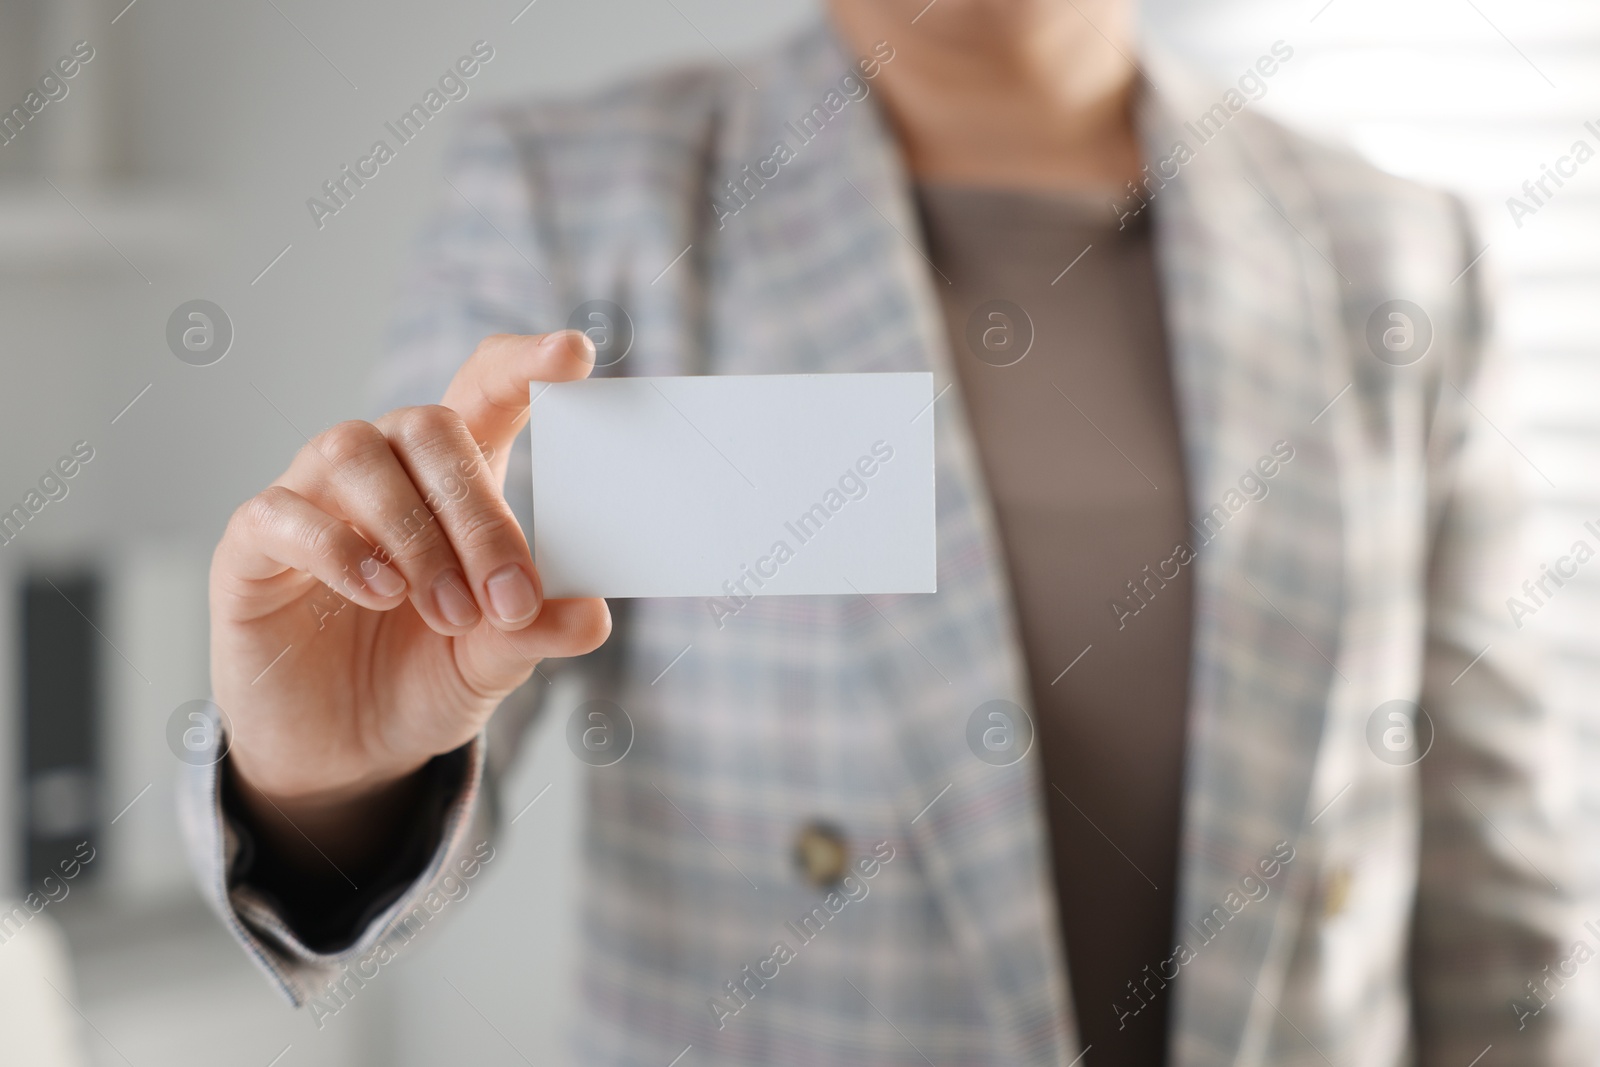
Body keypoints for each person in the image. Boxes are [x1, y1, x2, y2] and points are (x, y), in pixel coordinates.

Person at [185, 1, 1586, 1064]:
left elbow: (1489, 880)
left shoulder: (1390, 252)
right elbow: (428, 661)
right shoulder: (591, 203)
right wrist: (323, 783)